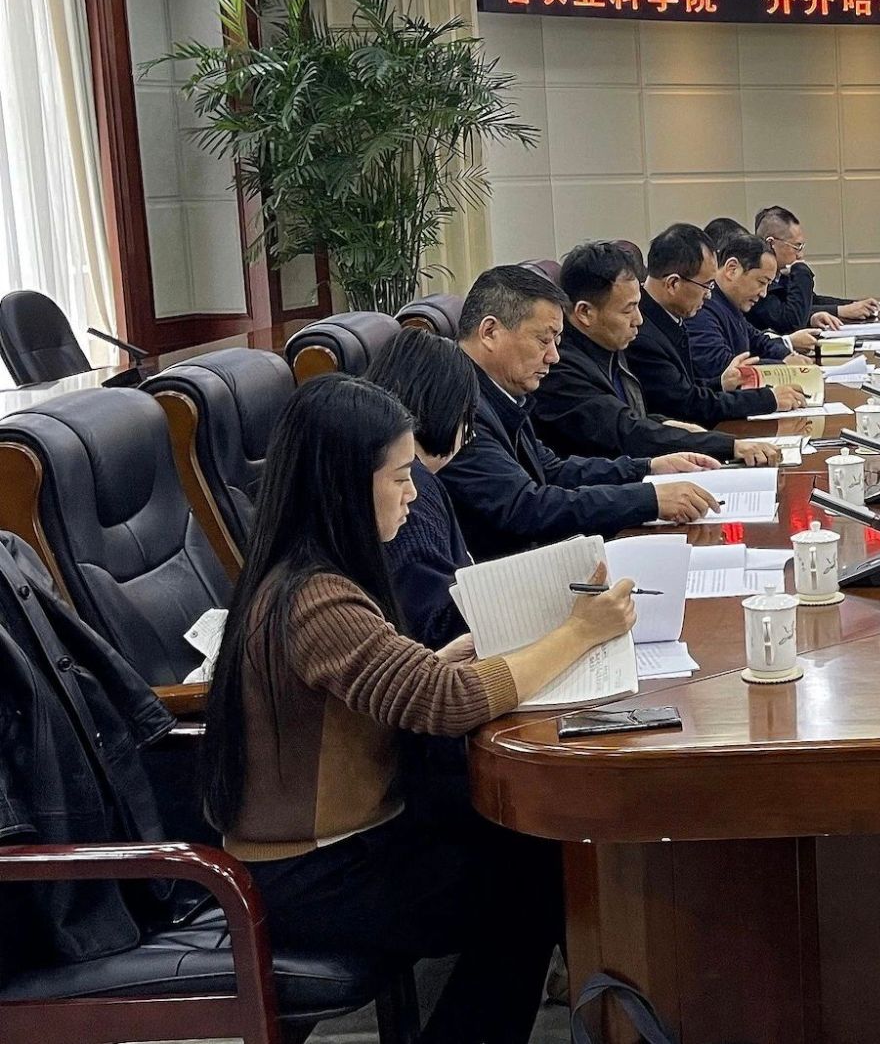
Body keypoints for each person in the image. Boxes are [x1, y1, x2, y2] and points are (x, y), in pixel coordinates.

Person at [199, 373, 641, 1044]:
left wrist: (450, 656)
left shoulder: (305, 572)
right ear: (346, 484)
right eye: (400, 476)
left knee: (531, 850)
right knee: (531, 881)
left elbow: (396, 686)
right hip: (312, 872)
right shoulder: (315, 599)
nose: (413, 492)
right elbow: (449, 703)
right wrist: (579, 632)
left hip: (340, 847)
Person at [438, 265, 720, 560]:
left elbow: (552, 470)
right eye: (543, 340)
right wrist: (649, 499)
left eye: (557, 342)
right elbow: (526, 508)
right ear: (490, 332)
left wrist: (647, 468)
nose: (553, 356)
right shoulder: (456, 406)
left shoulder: (501, 392)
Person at [534, 240, 778, 466]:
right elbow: (624, 432)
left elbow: (629, 414)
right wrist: (727, 446)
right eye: (628, 310)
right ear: (585, 313)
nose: (639, 320)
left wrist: (665, 423)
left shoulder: (606, 343)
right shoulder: (559, 369)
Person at [364, 329, 477, 652]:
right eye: (466, 416)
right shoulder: (411, 494)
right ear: (443, 408)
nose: (469, 434)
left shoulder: (407, 480)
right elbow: (435, 625)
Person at [628, 223, 808, 426]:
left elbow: (685, 389)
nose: (709, 294)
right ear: (673, 284)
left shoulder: (671, 314)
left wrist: (721, 383)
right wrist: (767, 399)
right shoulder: (641, 334)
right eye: (706, 285)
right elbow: (685, 405)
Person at [683, 233, 820, 383]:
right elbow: (722, 367)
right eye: (761, 282)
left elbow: (758, 341)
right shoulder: (701, 308)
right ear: (732, 269)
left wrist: (786, 355)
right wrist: (782, 365)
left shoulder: (728, 305)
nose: (764, 293)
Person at [747, 206, 880, 333]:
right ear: (771, 243)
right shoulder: (757, 280)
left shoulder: (780, 275)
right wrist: (800, 270)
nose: (800, 255)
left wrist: (852, 305)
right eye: (796, 247)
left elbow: (810, 301)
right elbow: (791, 321)